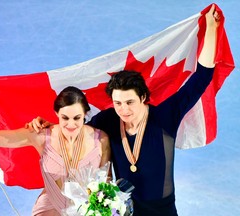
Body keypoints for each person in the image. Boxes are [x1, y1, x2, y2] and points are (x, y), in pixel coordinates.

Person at [26, 5, 220, 216]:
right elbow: (76, 130)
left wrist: (210, 28)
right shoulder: (108, 120)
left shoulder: (164, 116)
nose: (123, 109)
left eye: (129, 102)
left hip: (163, 211)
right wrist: (49, 125)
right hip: (123, 209)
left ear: (143, 98)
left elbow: (202, 78)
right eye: (118, 103)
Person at [0, 85, 111, 216]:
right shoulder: (41, 135)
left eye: (77, 118)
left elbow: (106, 182)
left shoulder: (101, 140)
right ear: (56, 113)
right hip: (48, 211)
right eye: (65, 118)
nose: (71, 124)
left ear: (86, 113)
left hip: (86, 212)